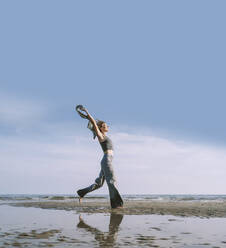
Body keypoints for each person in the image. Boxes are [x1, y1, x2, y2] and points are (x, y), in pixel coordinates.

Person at [76, 107, 123, 209]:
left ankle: (81, 192)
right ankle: (116, 204)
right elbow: (93, 121)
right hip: (107, 161)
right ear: (101, 128)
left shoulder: (105, 136)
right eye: (105, 126)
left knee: (99, 184)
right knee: (112, 181)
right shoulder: (100, 136)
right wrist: (87, 113)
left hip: (106, 160)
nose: (108, 127)